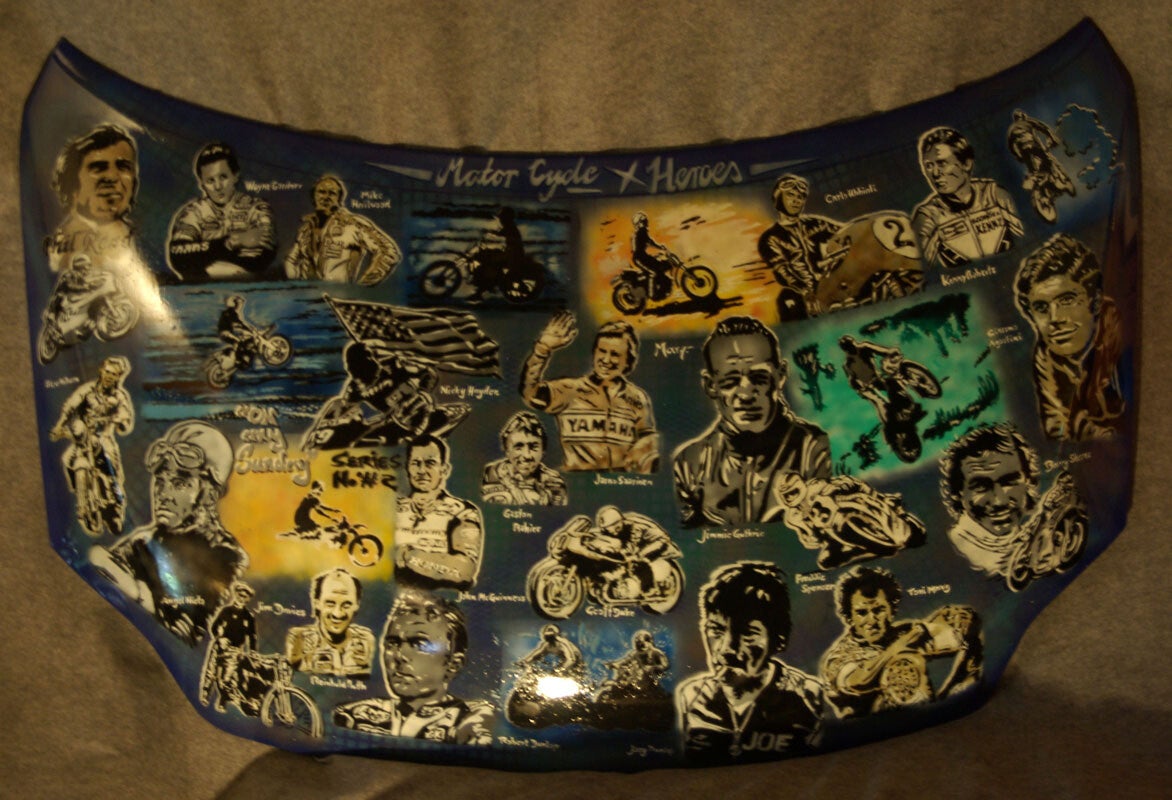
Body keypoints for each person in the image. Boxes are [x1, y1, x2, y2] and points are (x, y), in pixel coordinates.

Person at [89, 420, 248, 646]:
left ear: (209, 495)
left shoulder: (226, 554)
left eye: (179, 484)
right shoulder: (144, 542)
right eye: (160, 481)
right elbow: (99, 574)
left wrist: (137, 591)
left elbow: (187, 635)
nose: (163, 494)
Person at [672, 316, 830, 527]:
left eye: (759, 378)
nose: (746, 394)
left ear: (780, 376)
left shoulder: (815, 450)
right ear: (710, 385)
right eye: (730, 381)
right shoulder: (689, 463)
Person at [675, 562, 824, 760]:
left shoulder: (809, 696)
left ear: (779, 639)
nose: (727, 649)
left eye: (747, 633)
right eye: (716, 630)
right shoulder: (692, 695)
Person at [333, 590, 493, 744]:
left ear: (453, 665)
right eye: (393, 643)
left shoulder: (468, 720)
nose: (399, 656)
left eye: (419, 644)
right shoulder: (355, 715)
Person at [820, 567, 983, 718]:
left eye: (879, 610)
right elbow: (859, 681)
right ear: (849, 618)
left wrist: (958, 622)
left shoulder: (905, 632)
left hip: (924, 717)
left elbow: (958, 632)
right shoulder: (839, 657)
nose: (872, 620)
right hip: (867, 729)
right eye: (862, 613)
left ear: (892, 610)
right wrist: (903, 644)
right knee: (903, 662)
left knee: (966, 625)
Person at [1013, 233, 1124, 440]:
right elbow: (1056, 427)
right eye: (1041, 308)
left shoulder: (1120, 331)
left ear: (1096, 302)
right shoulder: (1046, 354)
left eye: (1066, 300)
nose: (1054, 318)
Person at [520, 311, 659, 473]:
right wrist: (542, 349)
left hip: (620, 482)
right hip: (579, 480)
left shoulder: (638, 398)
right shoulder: (569, 390)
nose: (606, 360)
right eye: (602, 351)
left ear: (628, 360)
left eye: (615, 354)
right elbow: (530, 393)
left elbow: (648, 447)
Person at [911, 126, 1022, 268]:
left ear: (966, 164)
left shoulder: (995, 195)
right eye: (929, 166)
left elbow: (1027, 239)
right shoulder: (927, 217)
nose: (935, 173)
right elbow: (923, 270)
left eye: (942, 163)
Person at [50, 355, 134, 537]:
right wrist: (59, 426)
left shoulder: (119, 396)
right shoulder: (87, 390)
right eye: (107, 372)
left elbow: (125, 416)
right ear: (101, 370)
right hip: (84, 438)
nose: (109, 376)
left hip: (104, 438)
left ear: (119, 377)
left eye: (114, 374)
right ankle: (81, 493)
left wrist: (120, 420)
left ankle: (116, 503)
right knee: (67, 459)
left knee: (112, 467)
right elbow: (70, 406)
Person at [939, 424, 1039, 577]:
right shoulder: (953, 551)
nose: (999, 501)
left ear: (1028, 481)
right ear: (958, 494)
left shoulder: (1033, 542)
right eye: (981, 487)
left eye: (1009, 482)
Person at [166, 142, 276, 280]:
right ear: (202, 184)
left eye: (223, 177)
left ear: (235, 175)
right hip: (202, 288)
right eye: (210, 181)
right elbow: (178, 255)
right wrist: (231, 243)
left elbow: (262, 254)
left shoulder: (256, 208)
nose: (218, 186)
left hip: (248, 287)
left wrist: (205, 256)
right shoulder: (193, 212)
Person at [44, 124, 139, 275]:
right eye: (98, 168)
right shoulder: (60, 251)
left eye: (123, 167)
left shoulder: (138, 242)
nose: (112, 177)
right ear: (71, 183)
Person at [394, 436, 484, 591]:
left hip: (442, 599)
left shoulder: (463, 512)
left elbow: (464, 570)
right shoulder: (391, 510)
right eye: (416, 463)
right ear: (407, 468)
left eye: (430, 463)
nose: (422, 471)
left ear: (445, 470)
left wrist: (409, 557)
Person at [284, 175, 401, 285]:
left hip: (339, 294)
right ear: (313, 196)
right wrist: (296, 285)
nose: (326, 197)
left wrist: (364, 286)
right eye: (321, 192)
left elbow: (389, 252)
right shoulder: (306, 230)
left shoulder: (353, 224)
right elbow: (291, 260)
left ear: (339, 199)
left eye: (332, 193)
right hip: (309, 296)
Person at [756, 174, 843, 319]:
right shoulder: (770, 238)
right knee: (788, 301)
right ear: (778, 197)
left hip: (830, 284)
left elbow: (847, 231)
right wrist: (806, 292)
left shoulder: (815, 223)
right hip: (799, 294)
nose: (796, 200)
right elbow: (783, 271)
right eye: (790, 195)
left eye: (801, 197)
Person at [558, 505, 676, 596]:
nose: (608, 531)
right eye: (605, 529)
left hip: (658, 541)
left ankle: (649, 588)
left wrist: (611, 553)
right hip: (639, 542)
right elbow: (599, 535)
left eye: (609, 529)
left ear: (618, 525)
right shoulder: (613, 528)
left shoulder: (634, 528)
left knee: (637, 557)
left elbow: (631, 547)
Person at [285, 568, 375, 678]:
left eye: (346, 605)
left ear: (357, 605)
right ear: (317, 603)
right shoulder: (300, 640)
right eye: (330, 604)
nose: (338, 614)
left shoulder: (366, 641)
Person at [481, 410, 568, 506]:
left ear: (543, 451)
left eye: (534, 447)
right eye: (518, 447)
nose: (527, 455)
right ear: (507, 450)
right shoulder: (492, 474)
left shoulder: (554, 483)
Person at [200, 580, 258, 711]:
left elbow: (252, 637)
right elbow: (214, 627)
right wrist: (220, 638)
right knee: (211, 672)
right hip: (219, 647)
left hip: (235, 651)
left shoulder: (248, 617)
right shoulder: (226, 610)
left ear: (248, 599)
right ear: (235, 594)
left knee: (228, 678)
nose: (242, 599)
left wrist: (253, 652)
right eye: (240, 595)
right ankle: (205, 695)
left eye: (245, 597)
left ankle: (222, 701)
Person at [604, 630, 669, 693]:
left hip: (651, 680)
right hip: (639, 680)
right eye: (638, 644)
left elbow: (665, 665)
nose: (641, 646)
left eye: (642, 643)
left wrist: (654, 667)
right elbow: (625, 660)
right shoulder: (635, 654)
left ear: (649, 642)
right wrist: (615, 664)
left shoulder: (656, 653)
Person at [518, 623, 586, 680]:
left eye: (551, 634)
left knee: (568, 676)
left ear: (556, 635)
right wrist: (524, 662)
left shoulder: (563, 644)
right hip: (564, 662)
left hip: (575, 662)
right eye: (547, 634)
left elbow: (571, 660)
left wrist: (560, 670)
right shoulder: (546, 645)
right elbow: (535, 654)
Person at [631, 211, 674, 299]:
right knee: (653, 272)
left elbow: (649, 241)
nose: (646, 223)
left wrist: (660, 248)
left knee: (660, 267)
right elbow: (649, 242)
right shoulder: (640, 232)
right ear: (639, 223)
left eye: (645, 221)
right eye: (644, 221)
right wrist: (659, 247)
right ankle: (652, 294)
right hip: (639, 258)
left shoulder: (642, 232)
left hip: (643, 256)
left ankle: (662, 290)